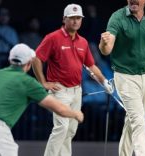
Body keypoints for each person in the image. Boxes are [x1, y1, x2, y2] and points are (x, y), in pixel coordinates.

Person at [0, 43, 84, 156]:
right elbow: (59, 109)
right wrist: (76, 113)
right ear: (28, 64)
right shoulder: (28, 82)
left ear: (10, 60)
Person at [32, 4, 112, 156]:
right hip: (59, 90)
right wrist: (43, 82)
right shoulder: (53, 37)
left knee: (70, 130)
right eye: (72, 18)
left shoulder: (83, 42)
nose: (75, 21)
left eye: (78, 18)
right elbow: (37, 59)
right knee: (61, 128)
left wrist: (104, 82)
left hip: (77, 91)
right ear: (64, 19)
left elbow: (91, 65)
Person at [99, 0, 145, 155]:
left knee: (133, 121)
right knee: (139, 122)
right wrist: (104, 44)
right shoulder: (117, 17)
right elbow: (106, 49)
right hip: (125, 77)